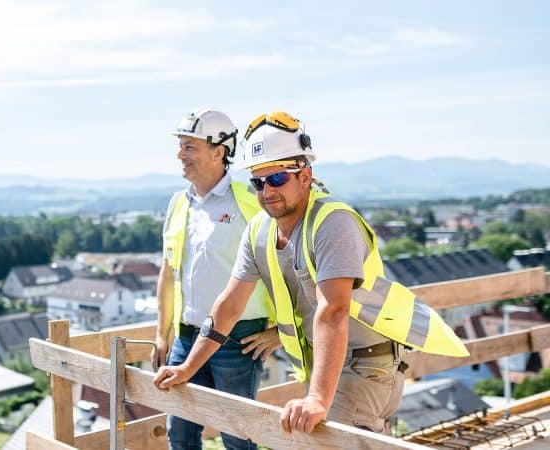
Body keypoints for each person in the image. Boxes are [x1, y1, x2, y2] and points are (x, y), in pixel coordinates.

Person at [154, 110, 468, 436]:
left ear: (305, 176)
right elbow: (229, 305)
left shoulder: (333, 223)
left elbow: (333, 311)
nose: (267, 191)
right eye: (258, 182)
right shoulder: (260, 231)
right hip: (328, 363)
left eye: (277, 178)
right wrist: (188, 368)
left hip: (366, 363)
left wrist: (317, 398)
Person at [152, 107, 274, 450]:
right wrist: (161, 337)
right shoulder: (179, 204)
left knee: (236, 436)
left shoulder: (250, 200)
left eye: (189, 147)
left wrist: (283, 330)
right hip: (187, 336)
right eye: (180, 145)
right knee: (180, 433)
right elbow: (168, 273)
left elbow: (285, 263)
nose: (180, 154)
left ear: (219, 152)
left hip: (238, 339)